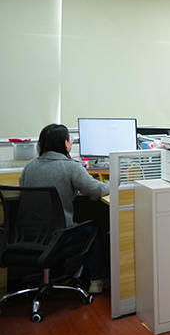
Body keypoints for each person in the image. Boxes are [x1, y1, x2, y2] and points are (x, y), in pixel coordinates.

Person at [18, 123, 109, 294]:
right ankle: (97, 280)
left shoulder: (29, 166)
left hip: (28, 234)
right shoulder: (71, 166)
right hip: (60, 236)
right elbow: (96, 190)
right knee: (93, 228)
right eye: (70, 140)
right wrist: (114, 185)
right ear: (66, 144)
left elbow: (22, 187)